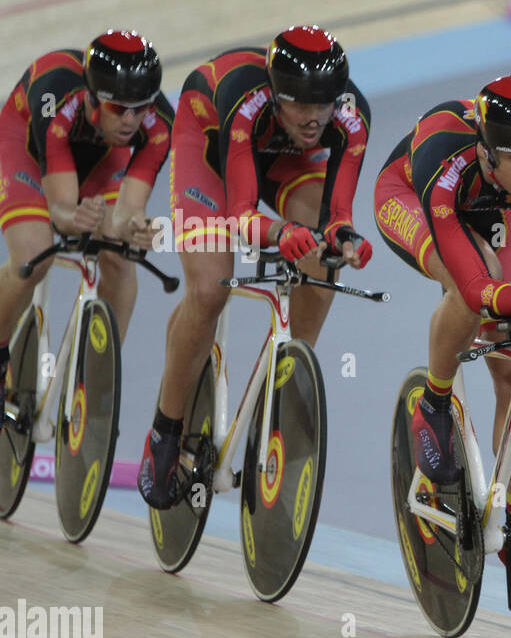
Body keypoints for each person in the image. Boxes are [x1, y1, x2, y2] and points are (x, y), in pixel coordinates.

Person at [137, 25, 372, 509]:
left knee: (322, 262)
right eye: (300, 106)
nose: (312, 119)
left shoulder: (350, 116)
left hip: (283, 158)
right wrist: (279, 233)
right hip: (212, 147)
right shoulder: (245, 100)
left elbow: (337, 214)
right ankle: (165, 429)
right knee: (209, 290)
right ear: (274, 93)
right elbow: (242, 216)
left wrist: (345, 240)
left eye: (321, 106)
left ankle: (281, 391)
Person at [372, 75, 511, 608]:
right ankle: (435, 403)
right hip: (414, 199)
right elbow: (473, 285)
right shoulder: (447, 155)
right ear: (489, 153)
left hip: (489, 207)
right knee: (476, 292)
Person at [0, 30, 172, 394]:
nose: (130, 121)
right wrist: (71, 217)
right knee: (33, 256)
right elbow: (62, 210)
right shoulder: (55, 94)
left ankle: (96, 385)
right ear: (92, 97)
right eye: (117, 108)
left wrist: (136, 227)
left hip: (99, 156)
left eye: (139, 108)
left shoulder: (159, 123)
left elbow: (129, 213)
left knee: (121, 258)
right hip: (27, 149)